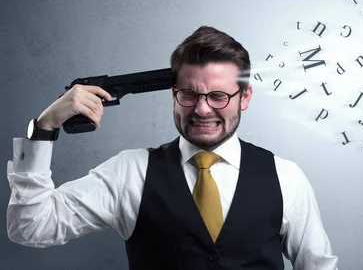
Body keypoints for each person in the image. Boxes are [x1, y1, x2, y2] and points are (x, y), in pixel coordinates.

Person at [6, 26, 339, 269]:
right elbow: (30, 228)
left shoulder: (286, 177)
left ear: (245, 97)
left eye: (218, 96)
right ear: (173, 96)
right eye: (189, 94)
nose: (202, 109)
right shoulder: (129, 172)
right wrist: (44, 129)